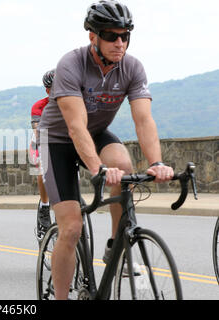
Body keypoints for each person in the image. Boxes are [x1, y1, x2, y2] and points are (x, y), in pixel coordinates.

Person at [38, 0, 174, 300]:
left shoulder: (132, 67)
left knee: (123, 165)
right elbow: (75, 127)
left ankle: (117, 244)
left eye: (125, 35)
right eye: (111, 36)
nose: (120, 42)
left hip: (96, 133)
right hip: (58, 141)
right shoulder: (71, 64)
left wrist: (156, 162)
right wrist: (98, 169)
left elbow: (143, 119)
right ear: (93, 37)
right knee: (71, 228)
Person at [30, 69, 54, 239]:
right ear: (48, 90)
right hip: (41, 140)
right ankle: (45, 206)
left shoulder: (74, 100)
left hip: (65, 138)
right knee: (42, 164)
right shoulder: (39, 106)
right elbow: (39, 134)